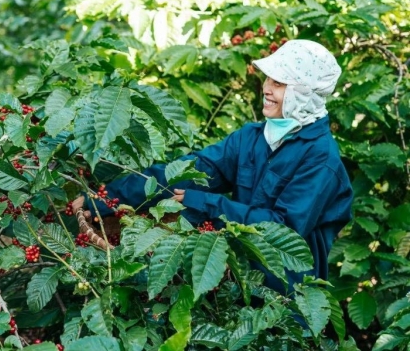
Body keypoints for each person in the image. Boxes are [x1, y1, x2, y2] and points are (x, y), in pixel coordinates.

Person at [75, 39, 353, 294]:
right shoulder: (253, 138)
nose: (266, 88)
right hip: (235, 278)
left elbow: (284, 230)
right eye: (269, 78)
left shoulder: (321, 159)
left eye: (279, 83)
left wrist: (208, 204)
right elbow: (190, 171)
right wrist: (108, 198)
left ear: (303, 94)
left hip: (287, 293)